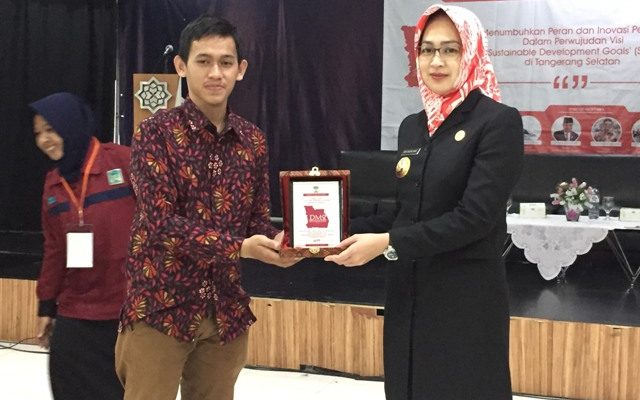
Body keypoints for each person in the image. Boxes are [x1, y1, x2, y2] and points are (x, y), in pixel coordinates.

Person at [325, 5, 523, 399]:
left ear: (471, 52)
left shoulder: (497, 121)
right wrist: (328, 227)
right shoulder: (413, 126)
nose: (436, 61)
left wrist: (388, 243)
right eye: (427, 50)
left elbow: (475, 218)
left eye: (450, 49)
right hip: (409, 292)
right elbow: (407, 210)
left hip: (465, 296)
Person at [115, 15, 299, 400]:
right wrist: (241, 247)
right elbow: (162, 224)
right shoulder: (155, 133)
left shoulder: (252, 140)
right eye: (203, 61)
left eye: (226, 62)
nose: (216, 73)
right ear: (181, 66)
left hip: (225, 311)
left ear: (241, 69)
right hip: (161, 307)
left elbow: (256, 222)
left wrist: (284, 242)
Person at [30, 92, 135, 400]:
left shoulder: (122, 161)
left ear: (71, 124)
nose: (44, 140)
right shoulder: (53, 184)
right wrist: (46, 305)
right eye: (38, 133)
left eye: (51, 129)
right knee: (68, 385)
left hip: (129, 308)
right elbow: (54, 250)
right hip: (76, 307)